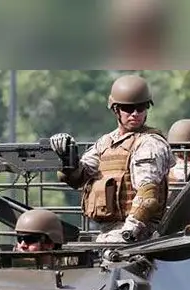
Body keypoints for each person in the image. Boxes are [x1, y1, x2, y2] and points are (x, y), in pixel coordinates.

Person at [49, 74, 176, 244]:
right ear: (116, 110)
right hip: (108, 231)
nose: (135, 114)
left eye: (141, 107)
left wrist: (130, 229)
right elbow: (77, 178)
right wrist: (67, 159)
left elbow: (148, 195)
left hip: (140, 232)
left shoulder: (150, 143)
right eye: (128, 109)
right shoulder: (106, 142)